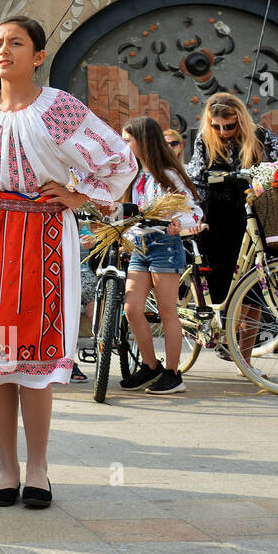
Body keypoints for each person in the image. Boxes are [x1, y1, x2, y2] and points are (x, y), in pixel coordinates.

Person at [0, 16, 135, 510]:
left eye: (15, 43)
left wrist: (76, 194)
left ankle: (39, 469)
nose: (3, 50)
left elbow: (118, 160)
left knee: (34, 361)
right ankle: (7, 469)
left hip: (43, 235)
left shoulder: (59, 108)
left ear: (38, 56)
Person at [185, 93, 278, 368]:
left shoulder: (263, 137)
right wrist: (195, 213)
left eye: (229, 126)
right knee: (223, 285)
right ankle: (227, 337)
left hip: (256, 217)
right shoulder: (204, 140)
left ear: (241, 120)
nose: (223, 132)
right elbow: (195, 179)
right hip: (217, 218)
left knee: (255, 288)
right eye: (216, 126)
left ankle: (246, 359)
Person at [119, 116, 203, 395]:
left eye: (127, 139)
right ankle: (151, 365)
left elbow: (193, 211)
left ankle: (173, 374)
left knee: (167, 311)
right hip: (140, 247)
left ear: (143, 141)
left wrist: (179, 223)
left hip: (165, 246)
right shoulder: (135, 175)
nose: (123, 144)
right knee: (132, 308)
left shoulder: (168, 174)